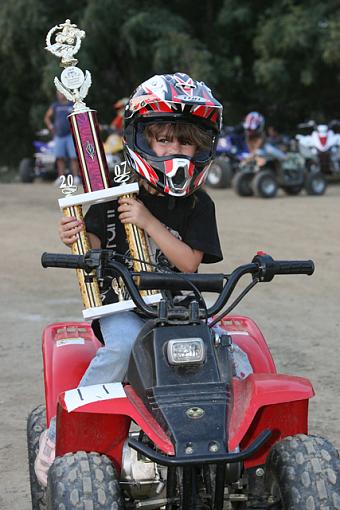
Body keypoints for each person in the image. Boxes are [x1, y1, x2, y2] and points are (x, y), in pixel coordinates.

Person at [35, 72, 251, 486]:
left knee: (232, 355)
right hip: (124, 307)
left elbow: (188, 265)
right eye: (164, 139)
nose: (175, 149)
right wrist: (77, 234)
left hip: (180, 308)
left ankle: (239, 450)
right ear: (143, 140)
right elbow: (95, 241)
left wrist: (148, 221)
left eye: (186, 141)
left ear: (202, 148)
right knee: (121, 347)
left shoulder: (199, 205)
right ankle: (57, 436)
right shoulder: (118, 192)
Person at [44, 91, 81, 185]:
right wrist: (51, 127)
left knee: (74, 157)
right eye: (58, 93)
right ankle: (61, 178)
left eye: (61, 93)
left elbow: (79, 116)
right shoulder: (55, 106)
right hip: (59, 135)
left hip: (70, 135)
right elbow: (47, 117)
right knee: (60, 157)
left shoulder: (72, 105)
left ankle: (76, 177)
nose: (59, 95)